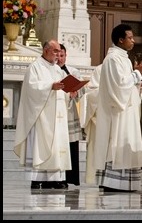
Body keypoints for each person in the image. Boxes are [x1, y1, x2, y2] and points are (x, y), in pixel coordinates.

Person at [93, 24, 142, 192]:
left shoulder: (123, 58)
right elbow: (118, 87)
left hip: (126, 111)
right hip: (117, 113)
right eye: (130, 38)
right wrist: (137, 74)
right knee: (117, 143)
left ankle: (126, 183)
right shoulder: (112, 59)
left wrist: (137, 87)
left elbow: (126, 85)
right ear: (120, 39)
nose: (133, 41)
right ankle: (113, 182)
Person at [14, 39, 71, 190]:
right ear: (46, 51)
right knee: (41, 145)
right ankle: (38, 178)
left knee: (57, 146)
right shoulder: (35, 67)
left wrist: (69, 94)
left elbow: (62, 89)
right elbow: (32, 88)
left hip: (58, 116)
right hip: (42, 116)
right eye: (55, 51)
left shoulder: (58, 70)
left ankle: (55, 178)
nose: (58, 55)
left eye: (60, 52)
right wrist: (50, 86)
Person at [57, 43, 84, 188]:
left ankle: (72, 177)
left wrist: (76, 92)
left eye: (62, 55)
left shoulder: (73, 71)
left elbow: (81, 92)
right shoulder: (52, 71)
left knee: (71, 146)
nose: (60, 58)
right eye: (58, 55)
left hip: (70, 113)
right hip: (57, 113)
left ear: (66, 56)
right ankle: (59, 178)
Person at [79, 64, 102, 185]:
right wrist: (110, 92)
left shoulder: (126, 67)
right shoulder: (100, 70)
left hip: (118, 116)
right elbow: (91, 92)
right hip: (100, 117)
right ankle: (93, 179)